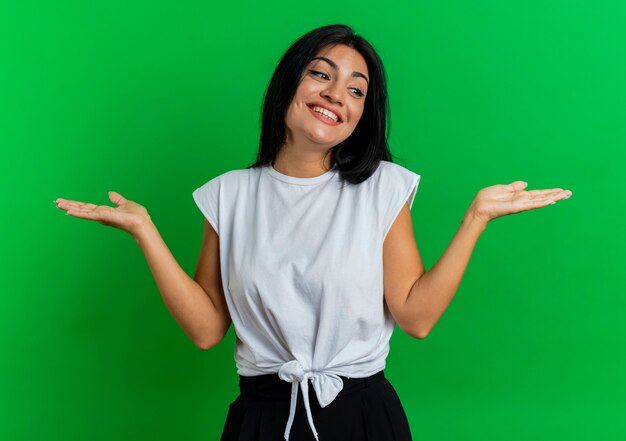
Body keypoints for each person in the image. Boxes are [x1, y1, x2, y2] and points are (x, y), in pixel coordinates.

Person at [54, 24, 572, 441]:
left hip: (362, 417)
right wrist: (146, 231)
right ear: (289, 83)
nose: (335, 95)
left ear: (361, 114)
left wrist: (474, 220)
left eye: (355, 90)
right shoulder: (227, 195)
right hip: (262, 417)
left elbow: (416, 316)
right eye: (321, 75)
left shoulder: (382, 188)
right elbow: (208, 329)